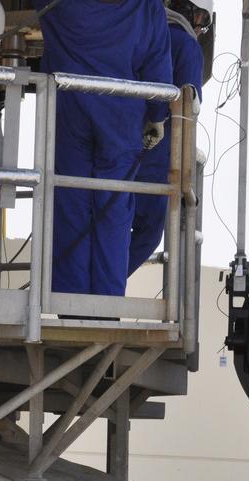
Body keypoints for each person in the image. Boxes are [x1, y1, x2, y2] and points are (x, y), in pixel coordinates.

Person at [34, 0, 173, 298]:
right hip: (122, 113)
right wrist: (157, 116)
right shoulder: (147, 7)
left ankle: (70, 302)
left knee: (71, 201)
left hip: (71, 108)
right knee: (114, 211)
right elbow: (158, 65)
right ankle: (107, 303)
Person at [126, 0, 209, 278]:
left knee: (105, 224)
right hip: (154, 155)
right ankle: (99, 290)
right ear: (192, 12)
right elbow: (189, 101)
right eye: (201, 19)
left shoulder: (137, 32)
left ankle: (83, 291)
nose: (200, 28)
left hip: (113, 144)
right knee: (148, 233)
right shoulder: (185, 44)